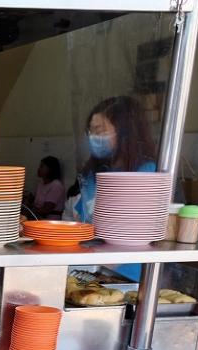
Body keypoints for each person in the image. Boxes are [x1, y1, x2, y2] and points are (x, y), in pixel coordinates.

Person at [73, 95, 157, 281]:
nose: (93, 138)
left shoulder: (146, 173)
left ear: (126, 133)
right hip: (91, 270)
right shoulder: (92, 173)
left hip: (128, 276)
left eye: (100, 131)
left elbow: (139, 236)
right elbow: (82, 221)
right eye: (90, 131)